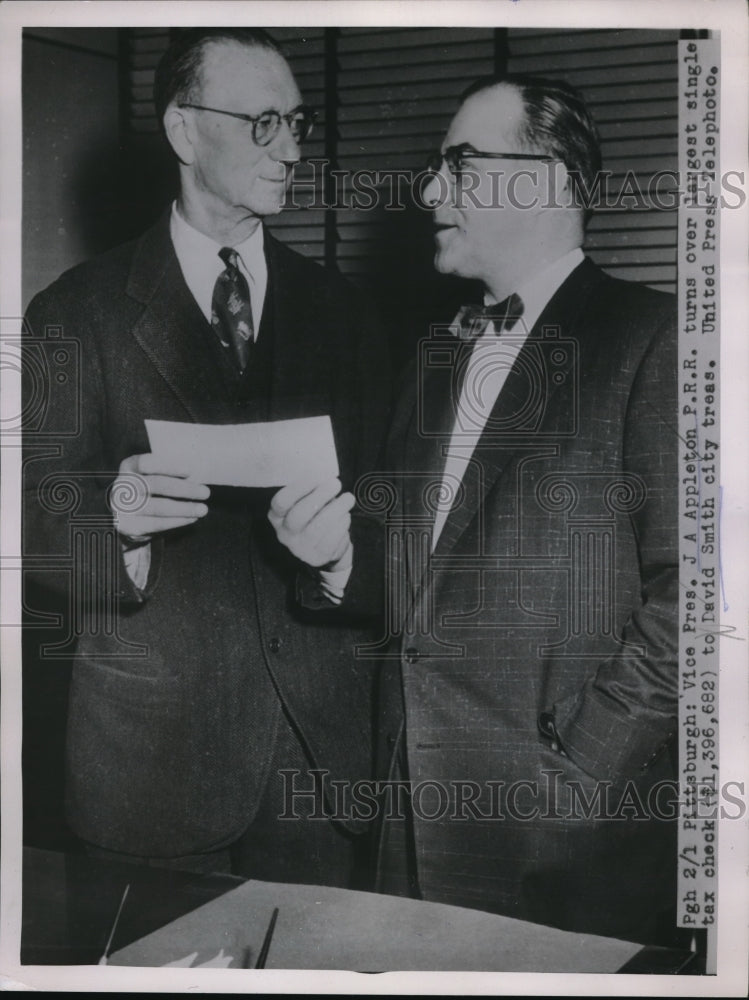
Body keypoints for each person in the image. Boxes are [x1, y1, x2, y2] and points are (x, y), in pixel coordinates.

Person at [270, 74, 679, 942]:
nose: (427, 192)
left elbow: (700, 601)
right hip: (404, 822)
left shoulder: (657, 340)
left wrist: (572, 777)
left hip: (561, 846)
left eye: (457, 166)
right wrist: (338, 558)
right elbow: (424, 584)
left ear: (550, 181)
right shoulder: (434, 356)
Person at [23, 27, 389, 884]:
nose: (294, 148)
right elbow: (28, 517)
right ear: (184, 132)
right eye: (265, 123)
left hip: (318, 765)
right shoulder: (76, 311)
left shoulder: (348, 314)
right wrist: (112, 519)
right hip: (150, 765)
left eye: (298, 122)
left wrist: (339, 557)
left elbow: (398, 518)